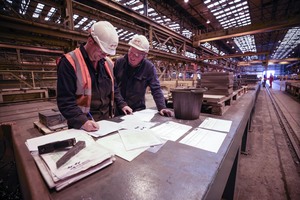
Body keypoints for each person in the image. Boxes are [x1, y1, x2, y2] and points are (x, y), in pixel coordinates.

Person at [56, 21, 130, 132]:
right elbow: (65, 101)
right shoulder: (70, 62)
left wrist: (122, 104)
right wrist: (83, 122)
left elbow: (114, 88)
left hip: (106, 123)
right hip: (82, 126)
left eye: (107, 53)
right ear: (90, 41)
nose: (105, 56)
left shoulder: (108, 63)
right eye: (102, 51)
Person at [114, 34, 173, 117]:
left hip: (138, 110)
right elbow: (113, 85)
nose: (132, 57)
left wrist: (162, 107)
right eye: (130, 52)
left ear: (144, 55)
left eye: (136, 55)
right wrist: (122, 104)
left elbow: (156, 89)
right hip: (119, 109)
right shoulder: (119, 63)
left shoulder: (148, 67)